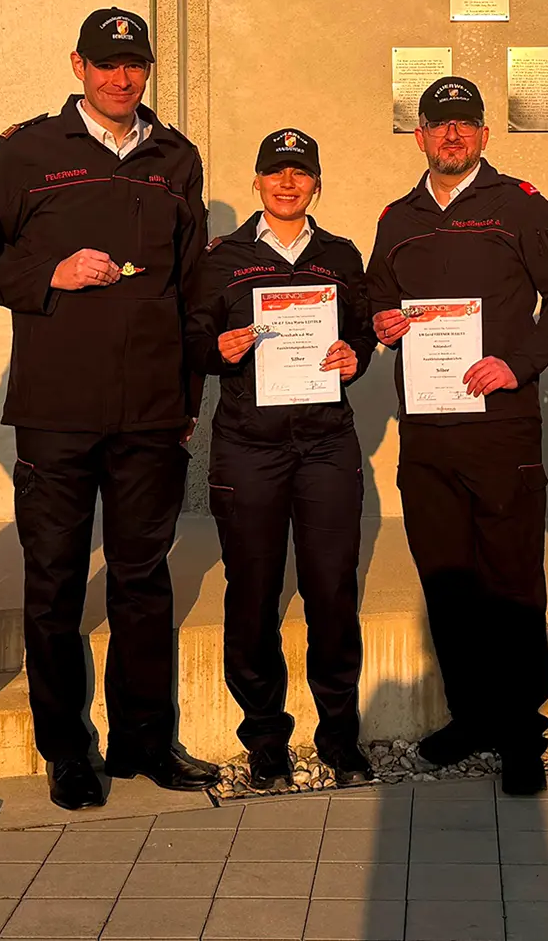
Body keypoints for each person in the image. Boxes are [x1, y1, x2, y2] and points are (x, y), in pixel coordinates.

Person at [0, 7, 217, 810]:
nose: (123, 79)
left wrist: (189, 397)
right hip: (58, 409)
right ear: (76, 65)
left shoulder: (174, 156)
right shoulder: (26, 152)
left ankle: (143, 741)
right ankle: (65, 750)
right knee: (52, 582)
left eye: (137, 65)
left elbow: (191, 289)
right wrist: (50, 272)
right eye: (107, 64)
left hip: (151, 409)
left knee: (142, 579)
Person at [365, 76, 548, 795]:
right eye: (439, 124)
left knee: (511, 579)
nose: (452, 135)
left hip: (501, 430)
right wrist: (382, 323)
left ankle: (521, 729)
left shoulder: (520, 207)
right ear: (420, 135)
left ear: (485, 135)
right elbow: (376, 297)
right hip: (427, 434)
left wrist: (517, 363)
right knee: (448, 579)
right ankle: (472, 716)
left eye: (465, 124)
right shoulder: (398, 217)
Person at [184, 128, 376, 791]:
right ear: (258, 181)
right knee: (255, 592)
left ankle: (339, 733)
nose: (287, 184)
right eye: (276, 174)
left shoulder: (342, 255)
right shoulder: (222, 260)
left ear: (316, 182)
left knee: (331, 590)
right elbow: (193, 339)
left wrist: (357, 357)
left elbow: (360, 335)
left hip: (326, 444)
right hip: (249, 445)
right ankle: (265, 735)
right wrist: (219, 350)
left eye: (300, 173)